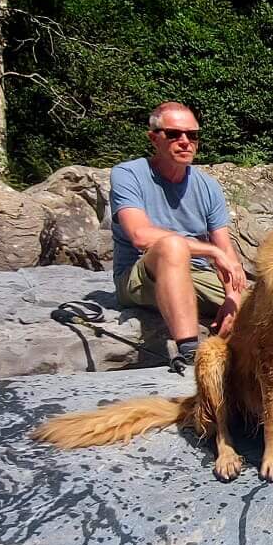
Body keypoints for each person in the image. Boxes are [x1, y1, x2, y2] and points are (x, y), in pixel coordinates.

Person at [110, 102, 246, 367]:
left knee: (261, 306)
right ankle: (190, 352)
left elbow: (226, 250)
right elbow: (140, 235)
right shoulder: (128, 174)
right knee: (172, 245)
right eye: (173, 134)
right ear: (154, 139)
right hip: (140, 275)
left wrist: (233, 299)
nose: (185, 142)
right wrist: (210, 250)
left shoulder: (207, 186)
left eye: (192, 135)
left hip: (195, 276)